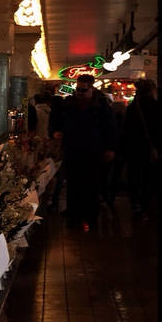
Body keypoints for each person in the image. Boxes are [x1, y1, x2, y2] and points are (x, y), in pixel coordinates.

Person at [50, 73, 118, 231]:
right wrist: (55, 132)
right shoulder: (69, 104)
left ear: (91, 89)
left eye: (83, 90)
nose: (79, 93)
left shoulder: (102, 106)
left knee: (91, 184)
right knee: (73, 183)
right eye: (78, 89)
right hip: (73, 150)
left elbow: (111, 129)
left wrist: (110, 148)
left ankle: (90, 215)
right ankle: (74, 215)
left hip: (94, 151)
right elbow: (56, 122)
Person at [122, 78, 159, 220]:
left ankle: (136, 205)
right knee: (149, 178)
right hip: (150, 149)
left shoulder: (133, 107)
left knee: (135, 177)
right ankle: (146, 205)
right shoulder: (155, 106)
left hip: (134, 148)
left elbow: (126, 130)